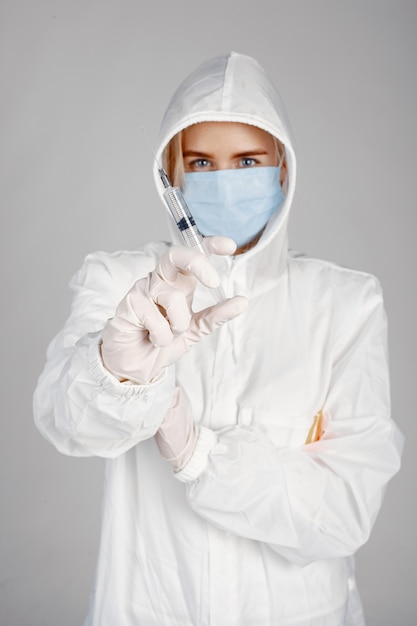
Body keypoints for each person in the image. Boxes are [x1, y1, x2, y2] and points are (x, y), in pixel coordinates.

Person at [33, 52, 403, 626]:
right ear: (171, 178)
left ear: (283, 168)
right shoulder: (121, 282)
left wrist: (197, 453)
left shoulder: (345, 305)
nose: (225, 181)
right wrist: (120, 371)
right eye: (201, 163)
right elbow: (65, 423)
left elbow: (344, 512)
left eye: (247, 160)